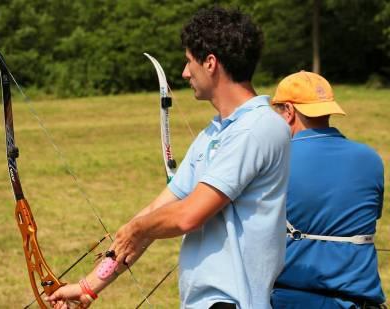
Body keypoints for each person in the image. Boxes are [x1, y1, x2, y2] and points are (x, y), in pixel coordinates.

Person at [47, 7, 290, 309]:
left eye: (190, 61)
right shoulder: (213, 134)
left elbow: (188, 215)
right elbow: (158, 210)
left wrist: (137, 228)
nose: (185, 73)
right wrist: (88, 287)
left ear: (211, 63)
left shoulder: (259, 127)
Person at [270, 71, 386, 308]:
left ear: (289, 111)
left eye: (278, 112)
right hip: (359, 301)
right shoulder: (371, 158)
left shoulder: (276, 160)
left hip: (292, 299)